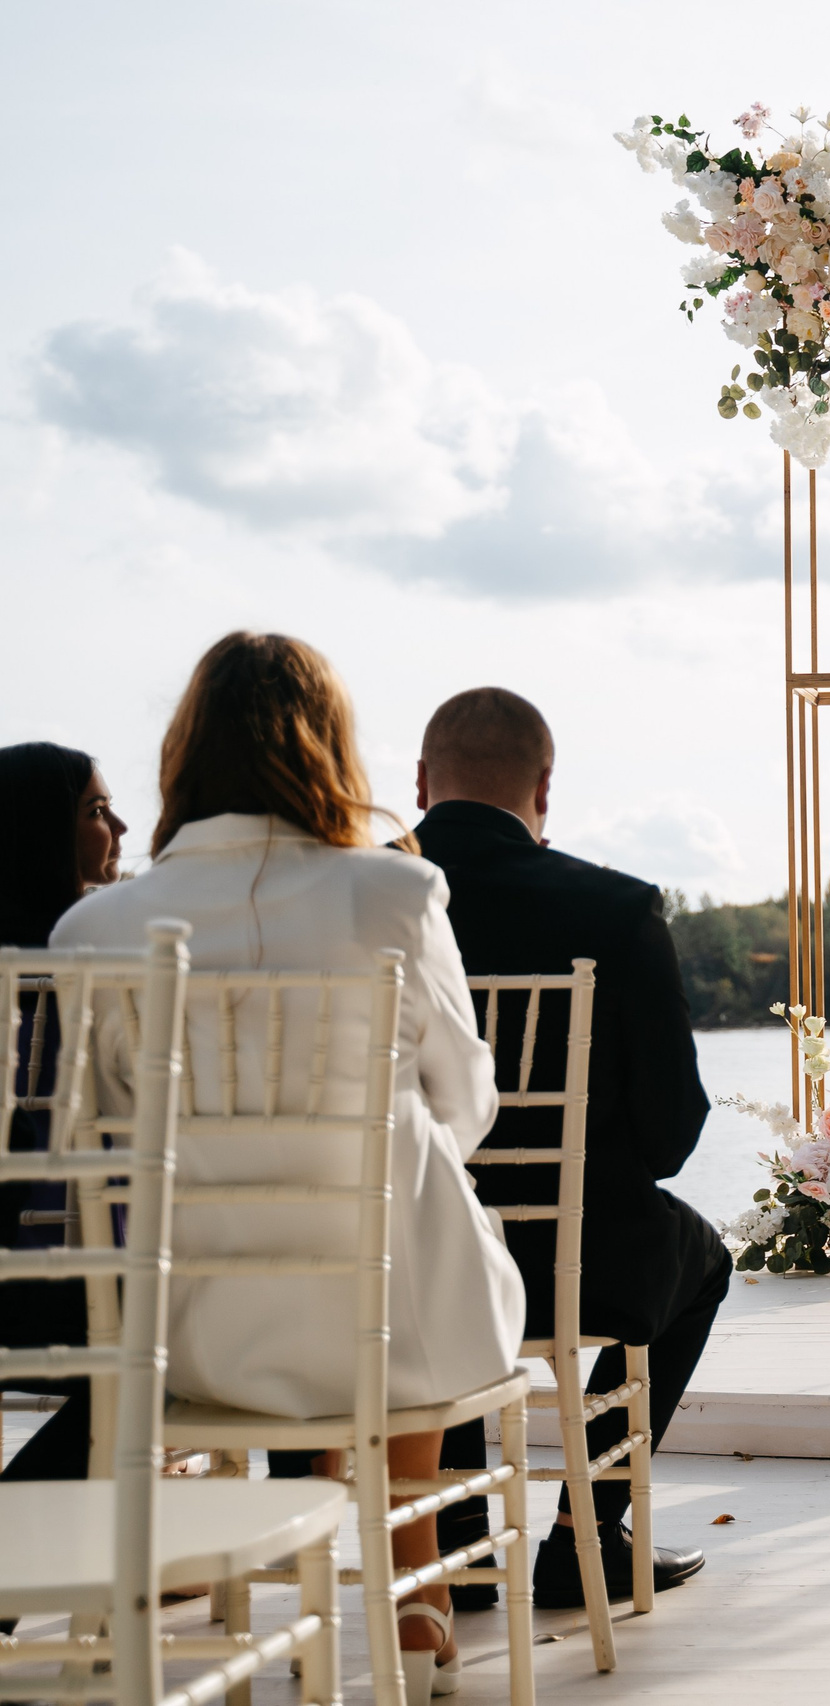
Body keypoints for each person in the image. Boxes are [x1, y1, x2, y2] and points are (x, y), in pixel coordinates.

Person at [50, 633, 522, 1683]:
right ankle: (416, 1592)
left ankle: (264, 1576)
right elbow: (468, 1102)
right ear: (330, 745)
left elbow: (102, 1135)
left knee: (344, 1236)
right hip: (397, 1327)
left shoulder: (94, 927)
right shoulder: (394, 894)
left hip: (193, 1339)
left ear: (183, 754)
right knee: (410, 1225)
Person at [409, 687, 714, 1607]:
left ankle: (458, 1538)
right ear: (544, 788)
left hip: (408, 1267)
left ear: (421, 783)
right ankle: (589, 1533)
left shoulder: (372, 904)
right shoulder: (615, 911)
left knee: (444, 1228)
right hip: (578, 1261)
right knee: (699, 1258)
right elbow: (669, 1134)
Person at [1, 743, 128, 1482]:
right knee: (179, 1344)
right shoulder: (97, 960)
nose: (117, 825)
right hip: (70, 1282)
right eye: (95, 810)